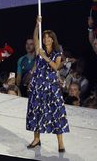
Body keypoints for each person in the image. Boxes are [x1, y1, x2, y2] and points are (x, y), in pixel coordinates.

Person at [26, 16, 69, 153]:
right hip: (38, 85)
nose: (46, 39)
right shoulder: (39, 49)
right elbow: (34, 38)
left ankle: (60, 143)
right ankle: (36, 138)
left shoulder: (57, 52)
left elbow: (56, 67)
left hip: (51, 87)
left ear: (53, 39)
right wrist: (37, 25)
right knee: (36, 112)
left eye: (48, 37)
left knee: (56, 113)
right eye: (44, 37)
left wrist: (44, 56)